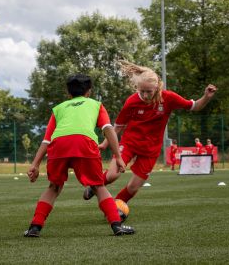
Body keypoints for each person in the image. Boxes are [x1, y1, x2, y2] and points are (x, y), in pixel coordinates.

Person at [83, 60, 217, 205]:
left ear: (157, 87)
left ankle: (117, 207)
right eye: (142, 91)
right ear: (137, 88)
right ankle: (95, 186)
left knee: (134, 187)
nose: (146, 95)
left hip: (151, 150)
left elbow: (195, 106)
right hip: (130, 143)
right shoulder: (132, 102)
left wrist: (206, 97)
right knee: (112, 175)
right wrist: (104, 144)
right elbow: (117, 127)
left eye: (149, 92)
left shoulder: (169, 98)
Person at [24, 74, 135, 237]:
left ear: (68, 93)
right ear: (89, 91)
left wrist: (35, 164)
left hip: (58, 145)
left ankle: (35, 227)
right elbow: (108, 129)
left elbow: (47, 140)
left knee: (54, 187)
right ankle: (116, 225)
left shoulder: (59, 108)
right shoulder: (96, 105)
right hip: (84, 143)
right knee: (98, 186)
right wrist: (118, 156)